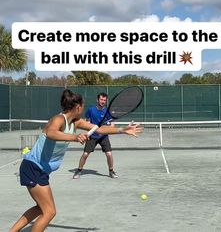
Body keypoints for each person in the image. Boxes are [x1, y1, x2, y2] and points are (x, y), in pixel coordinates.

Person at [10, 89, 142, 232]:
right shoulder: (59, 119)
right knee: (49, 212)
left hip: (39, 169)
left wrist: (122, 130)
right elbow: (51, 132)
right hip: (33, 167)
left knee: (40, 208)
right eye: (83, 106)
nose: (83, 108)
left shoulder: (76, 122)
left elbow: (99, 129)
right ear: (78, 107)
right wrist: (75, 137)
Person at [73, 92, 117, 179]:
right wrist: (89, 133)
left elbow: (112, 124)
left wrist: (106, 130)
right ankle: (79, 170)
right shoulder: (91, 110)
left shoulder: (107, 111)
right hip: (92, 136)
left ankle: (111, 171)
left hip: (104, 137)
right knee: (85, 154)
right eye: (101, 99)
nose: (103, 101)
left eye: (104, 100)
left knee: (109, 154)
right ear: (97, 100)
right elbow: (86, 122)